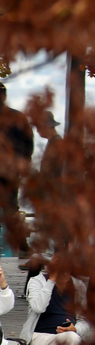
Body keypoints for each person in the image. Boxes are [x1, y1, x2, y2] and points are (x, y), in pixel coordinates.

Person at [0, 83, 33, 243]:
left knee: (11, 210)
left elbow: (28, 145)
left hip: (10, 173)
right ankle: (24, 246)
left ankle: (24, 246)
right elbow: (28, 145)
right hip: (12, 172)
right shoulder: (19, 118)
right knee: (11, 210)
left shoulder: (18, 118)